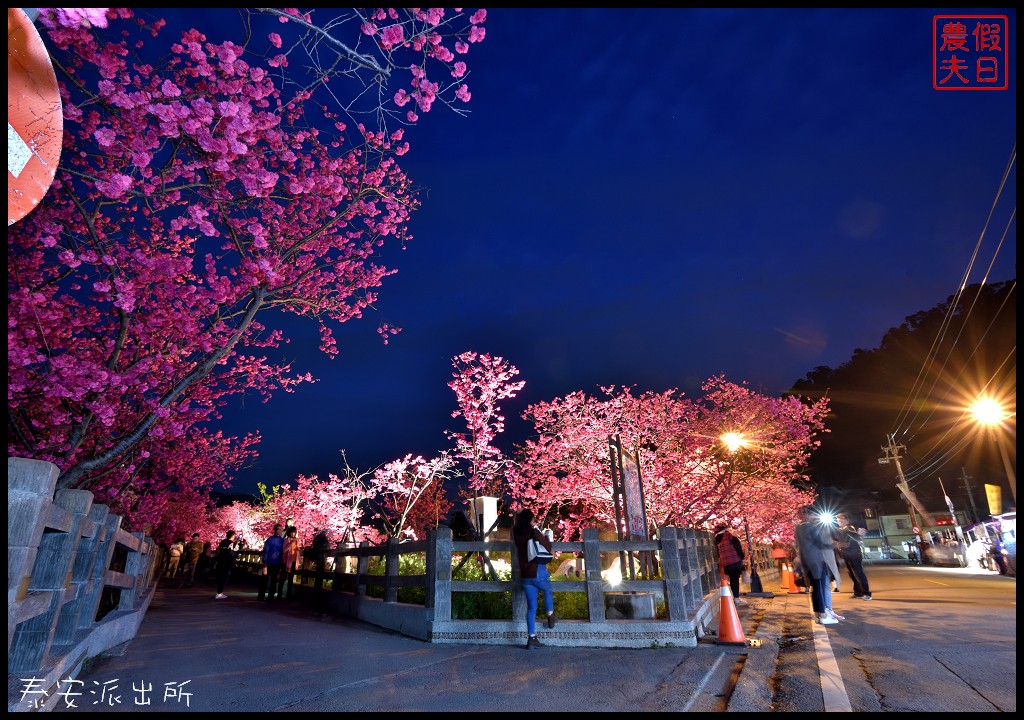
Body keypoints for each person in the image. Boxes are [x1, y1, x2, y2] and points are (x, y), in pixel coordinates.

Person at [512, 509, 556, 648]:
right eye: (533, 518)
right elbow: (548, 546)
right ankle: (550, 615)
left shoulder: (516, 533)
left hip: (525, 575)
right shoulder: (534, 532)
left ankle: (532, 638)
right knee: (548, 590)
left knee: (532, 608)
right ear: (529, 520)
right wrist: (546, 536)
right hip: (537, 571)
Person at [794, 505, 839, 625]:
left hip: (806, 560)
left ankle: (819, 615)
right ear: (809, 515)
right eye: (813, 514)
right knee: (819, 587)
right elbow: (821, 543)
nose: (814, 517)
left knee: (815, 588)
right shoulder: (810, 527)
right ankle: (823, 615)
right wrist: (835, 544)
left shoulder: (798, 527)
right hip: (816, 560)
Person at [835, 514, 872, 600]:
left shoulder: (848, 528)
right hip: (847, 554)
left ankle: (867, 593)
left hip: (854, 554)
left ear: (846, 520)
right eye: (838, 520)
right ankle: (858, 592)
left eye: (840, 520)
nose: (839, 522)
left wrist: (859, 533)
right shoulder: (841, 529)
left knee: (858, 573)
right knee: (852, 574)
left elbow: (855, 535)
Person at [714, 524, 747, 606]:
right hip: (734, 561)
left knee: (731, 579)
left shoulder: (717, 540)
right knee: (735, 580)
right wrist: (742, 558)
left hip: (725, 562)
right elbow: (738, 549)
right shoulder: (731, 538)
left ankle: (734, 597)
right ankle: (736, 598)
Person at [259, 524, 285, 601]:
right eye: (278, 529)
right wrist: (265, 563)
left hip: (277, 563)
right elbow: (266, 551)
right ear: (275, 530)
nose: (280, 531)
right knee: (265, 580)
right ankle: (262, 596)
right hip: (269, 563)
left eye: (281, 529)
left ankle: (269, 596)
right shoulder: (270, 540)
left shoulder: (282, 540)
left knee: (273, 581)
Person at [214, 530, 240, 600]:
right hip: (228, 563)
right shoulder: (232, 544)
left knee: (220, 577)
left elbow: (218, 551)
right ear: (233, 536)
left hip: (220, 562)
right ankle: (219, 593)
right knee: (224, 578)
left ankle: (219, 592)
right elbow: (233, 554)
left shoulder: (222, 542)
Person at [279, 526, 300, 600]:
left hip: (294, 561)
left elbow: (297, 550)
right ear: (289, 532)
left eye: (294, 532)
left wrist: (299, 549)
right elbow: (284, 550)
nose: (293, 534)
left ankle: (288, 595)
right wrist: (290, 544)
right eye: (292, 532)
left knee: (291, 579)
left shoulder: (297, 540)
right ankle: (279, 594)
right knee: (283, 578)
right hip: (286, 561)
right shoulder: (286, 540)